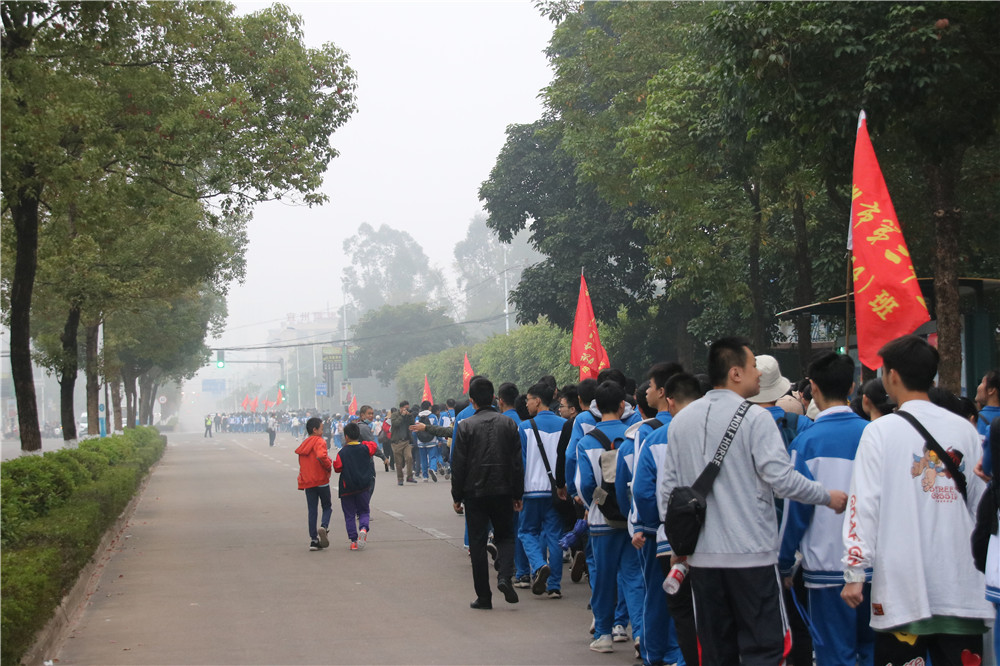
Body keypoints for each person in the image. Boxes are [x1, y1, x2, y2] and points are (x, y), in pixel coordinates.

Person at [660, 336, 848, 666]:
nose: (758, 374)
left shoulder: (681, 422)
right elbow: (782, 480)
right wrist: (826, 496)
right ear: (735, 372)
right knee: (765, 648)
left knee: (717, 650)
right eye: (752, 367)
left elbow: (669, 492)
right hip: (752, 558)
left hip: (703, 560)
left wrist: (679, 545)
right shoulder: (756, 419)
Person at [842, 335, 991, 665]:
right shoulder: (965, 429)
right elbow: (982, 507)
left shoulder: (879, 432)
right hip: (961, 585)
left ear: (892, 375)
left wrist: (855, 570)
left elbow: (863, 505)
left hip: (901, 592)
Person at [778, 352, 874, 666]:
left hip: (827, 567)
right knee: (874, 650)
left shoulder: (807, 444)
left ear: (813, 388)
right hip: (876, 568)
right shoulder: (874, 436)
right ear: (852, 386)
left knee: (835, 654)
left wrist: (784, 560)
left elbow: (796, 509)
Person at [578, 380, 645, 654]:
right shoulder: (634, 436)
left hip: (600, 519)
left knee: (603, 577)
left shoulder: (586, 440)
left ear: (596, 407)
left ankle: (604, 634)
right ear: (622, 405)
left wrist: (595, 502)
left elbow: (583, 485)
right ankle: (640, 633)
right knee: (633, 577)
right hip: (631, 520)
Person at [451, 377, 524, 610]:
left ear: (472, 401)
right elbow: (516, 463)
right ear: (494, 398)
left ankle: (484, 596)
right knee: (506, 536)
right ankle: (504, 576)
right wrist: (517, 493)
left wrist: (456, 496)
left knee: (478, 543)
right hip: (503, 490)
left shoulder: (465, 426)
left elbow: (458, 464)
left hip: (475, 492)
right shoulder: (508, 424)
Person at [518, 381, 567, 599]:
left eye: (528, 399)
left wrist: (516, 493)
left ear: (538, 401)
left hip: (531, 490)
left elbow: (519, 463)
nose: (526, 404)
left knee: (527, 532)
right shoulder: (565, 424)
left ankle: (538, 566)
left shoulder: (525, 427)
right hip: (556, 491)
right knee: (555, 535)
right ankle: (555, 585)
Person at [333, 422, 378, 551]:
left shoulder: (342, 453)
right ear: (358, 435)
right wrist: (363, 443)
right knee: (364, 511)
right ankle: (363, 528)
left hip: (347, 488)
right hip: (363, 486)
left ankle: (353, 541)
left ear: (346, 437)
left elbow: (337, 468)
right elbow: (373, 446)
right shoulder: (365, 448)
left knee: (349, 515)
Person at [296, 417, 333, 551]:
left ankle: (313, 540)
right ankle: (324, 526)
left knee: (312, 510)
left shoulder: (304, 444)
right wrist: (329, 466)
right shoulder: (319, 441)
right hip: (321, 480)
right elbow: (321, 456)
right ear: (315, 430)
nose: (323, 432)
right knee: (327, 506)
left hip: (308, 481)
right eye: (321, 429)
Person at [389, 401, 416, 485]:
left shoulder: (408, 415)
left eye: (408, 408)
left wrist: (409, 415)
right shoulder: (394, 415)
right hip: (397, 442)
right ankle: (400, 479)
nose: (407, 410)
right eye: (405, 408)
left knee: (409, 457)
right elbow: (395, 424)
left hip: (406, 441)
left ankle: (410, 477)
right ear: (401, 408)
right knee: (399, 462)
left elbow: (412, 423)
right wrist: (402, 415)